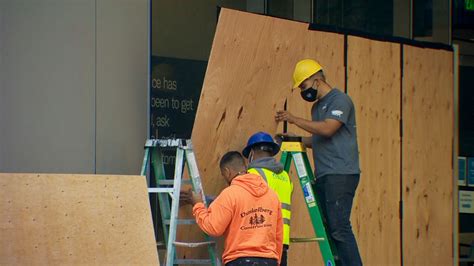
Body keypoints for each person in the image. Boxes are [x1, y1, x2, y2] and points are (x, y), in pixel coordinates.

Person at [275, 59, 362, 266]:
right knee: (331, 229)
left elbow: (328, 129)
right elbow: (320, 139)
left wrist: (294, 118)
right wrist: (296, 139)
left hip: (341, 173)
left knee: (340, 227)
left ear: (316, 80)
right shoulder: (317, 108)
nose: (303, 92)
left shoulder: (340, 100)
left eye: (303, 86)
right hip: (324, 173)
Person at [187, 151, 283, 266]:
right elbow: (278, 235)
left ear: (227, 172)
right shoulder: (272, 195)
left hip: (240, 260)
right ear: (245, 167)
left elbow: (213, 227)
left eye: (223, 175)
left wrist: (197, 205)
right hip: (269, 260)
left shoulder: (230, 194)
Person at [242, 132, 293, 266]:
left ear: (252, 152)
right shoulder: (285, 177)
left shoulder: (254, 174)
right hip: (282, 242)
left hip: (262, 242)